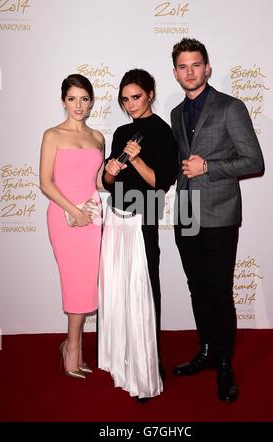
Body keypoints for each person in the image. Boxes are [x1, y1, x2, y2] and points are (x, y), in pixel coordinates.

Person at [170, 38, 264, 402]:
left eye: (196, 65)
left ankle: (224, 364)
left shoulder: (231, 107)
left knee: (221, 292)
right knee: (197, 287)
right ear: (175, 72)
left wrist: (208, 166)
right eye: (182, 66)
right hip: (187, 214)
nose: (189, 72)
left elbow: (253, 161)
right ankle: (207, 350)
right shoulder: (177, 113)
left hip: (221, 213)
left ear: (207, 68)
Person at [98, 68, 178, 401]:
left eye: (137, 97)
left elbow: (161, 182)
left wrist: (136, 158)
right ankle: (122, 360)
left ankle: (148, 368)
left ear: (150, 94)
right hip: (114, 219)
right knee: (117, 292)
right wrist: (110, 171)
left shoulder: (162, 132)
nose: (131, 104)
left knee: (143, 293)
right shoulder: (120, 131)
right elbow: (107, 183)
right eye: (125, 99)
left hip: (141, 221)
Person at [39, 74, 104, 379]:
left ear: (91, 101)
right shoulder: (52, 135)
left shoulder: (98, 137)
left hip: (92, 216)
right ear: (63, 100)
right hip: (64, 216)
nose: (78, 105)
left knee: (86, 281)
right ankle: (73, 348)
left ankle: (71, 344)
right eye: (72, 98)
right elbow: (45, 183)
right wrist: (73, 212)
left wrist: (118, 168)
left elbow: (99, 181)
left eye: (84, 98)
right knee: (73, 279)